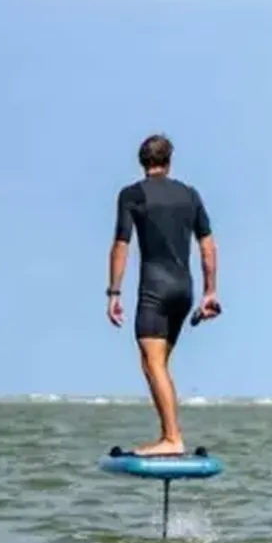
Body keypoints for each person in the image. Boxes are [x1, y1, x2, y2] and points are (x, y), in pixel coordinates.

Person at [106, 133, 220, 456]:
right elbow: (208, 246)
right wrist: (210, 292)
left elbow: (121, 245)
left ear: (143, 163)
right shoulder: (190, 195)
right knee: (157, 366)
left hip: (155, 290)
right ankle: (167, 435)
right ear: (169, 162)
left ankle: (172, 438)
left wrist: (113, 293)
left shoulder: (132, 195)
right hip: (184, 292)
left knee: (152, 363)